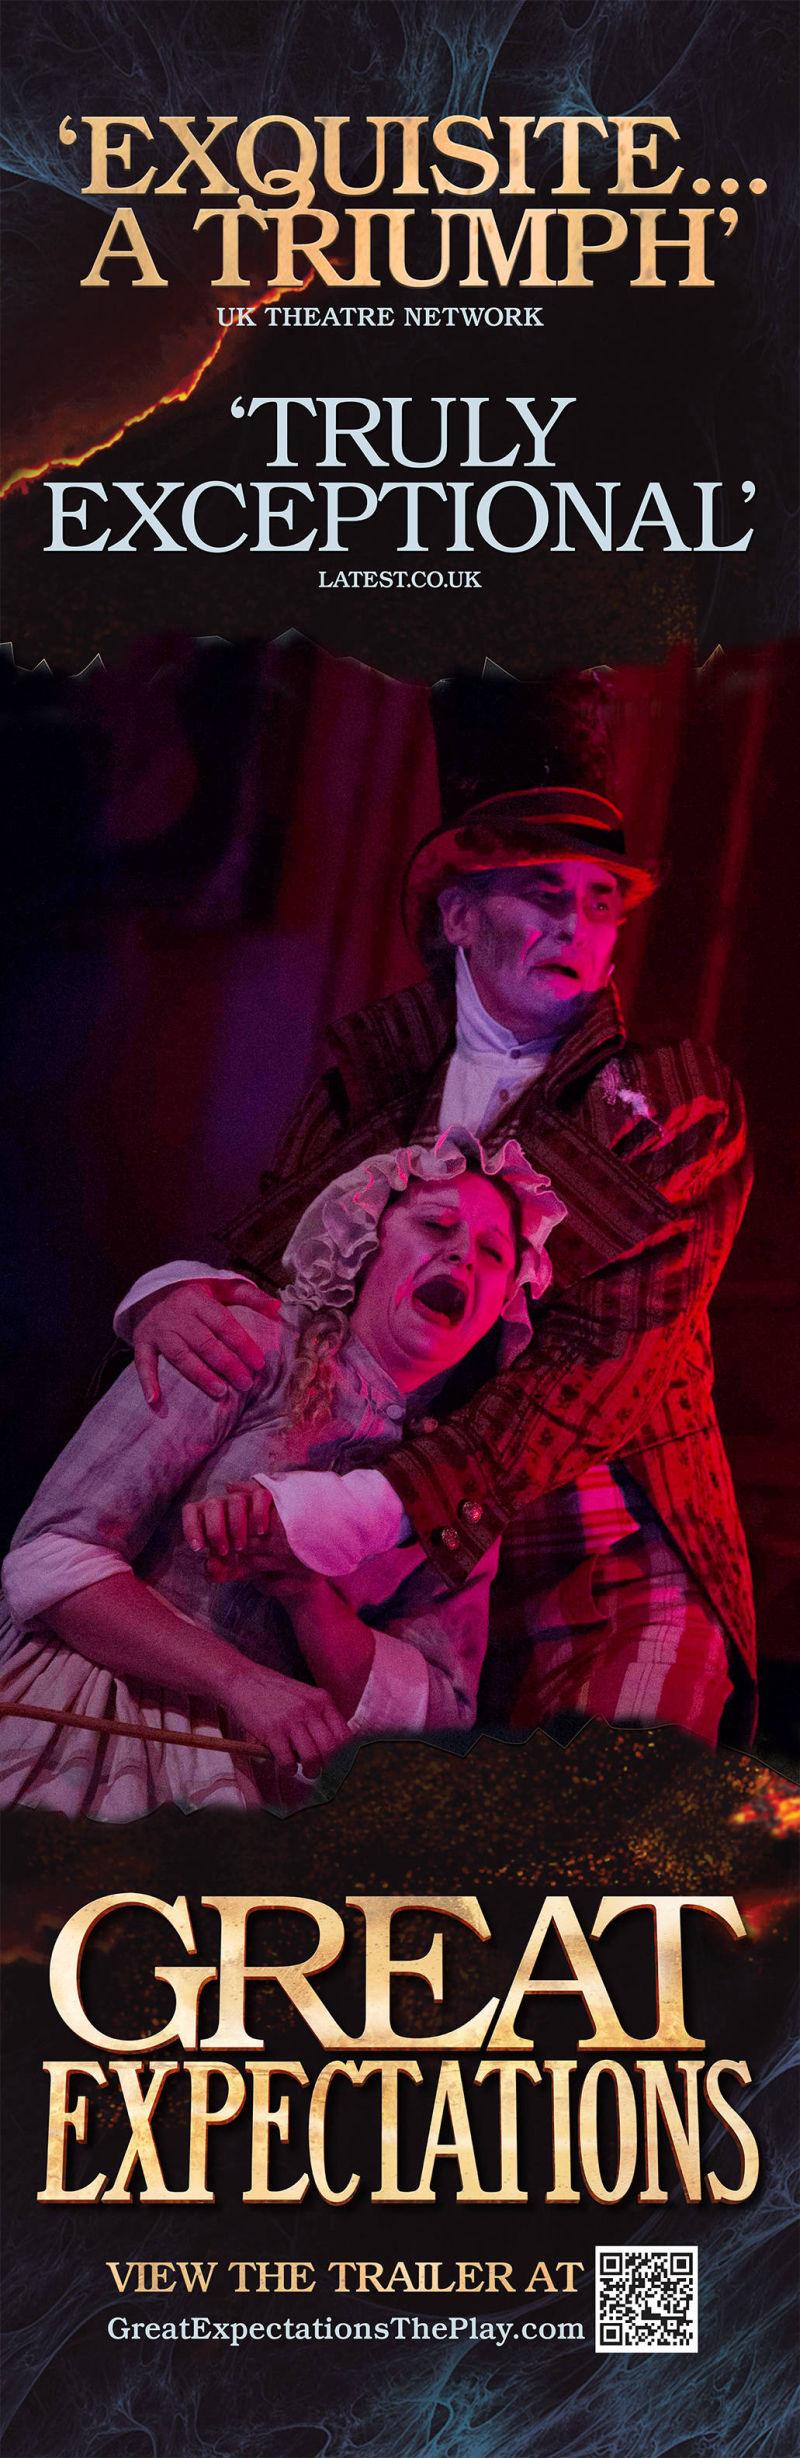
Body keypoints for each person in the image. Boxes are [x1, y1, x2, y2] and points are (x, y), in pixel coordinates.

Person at [117, 706, 756, 1750]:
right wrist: (173, 1296)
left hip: (597, 1565)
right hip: (394, 1586)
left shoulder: (672, 1104)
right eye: (542, 892)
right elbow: (281, 1274)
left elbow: (598, 1362)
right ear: (458, 916)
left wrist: (368, 1506)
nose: (576, 925)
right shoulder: (369, 1081)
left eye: (600, 901)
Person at [0, 1134, 563, 1819]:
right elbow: (49, 1560)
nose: (462, 1255)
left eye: (493, 1253)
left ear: (505, 1303)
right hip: (99, 1714)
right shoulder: (246, 1342)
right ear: (366, 1243)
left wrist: (306, 1595)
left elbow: (439, 1718)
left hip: (258, 1781)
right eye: (435, 1225)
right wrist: (239, 1681)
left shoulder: (456, 1488)